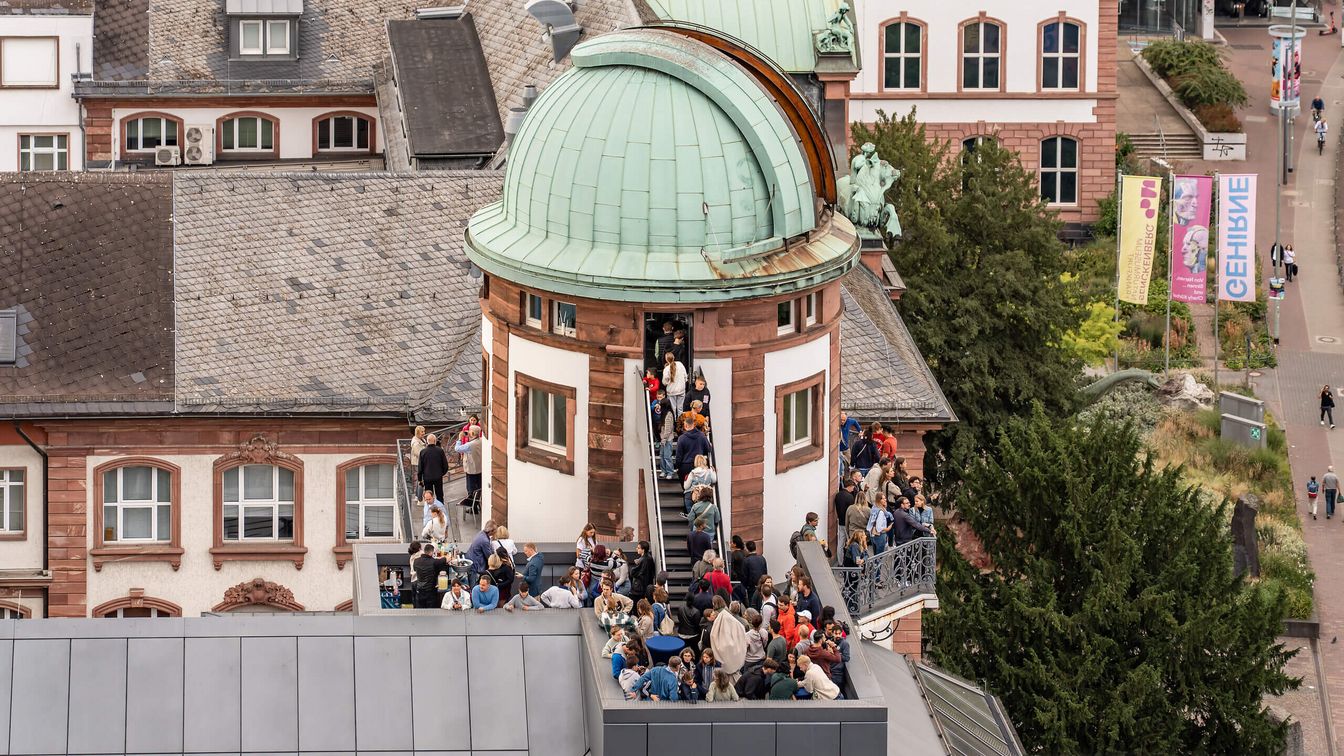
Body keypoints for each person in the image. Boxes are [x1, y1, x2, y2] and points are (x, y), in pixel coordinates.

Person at [454, 426, 483, 511]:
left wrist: (459, 439)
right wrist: (470, 436)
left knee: (471, 490)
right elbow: (475, 438)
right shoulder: (481, 440)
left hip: (471, 470)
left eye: (470, 431)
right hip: (479, 469)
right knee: (478, 488)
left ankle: (473, 508)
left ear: (473, 433)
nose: (468, 432)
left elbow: (457, 449)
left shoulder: (469, 445)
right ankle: (477, 504)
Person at [412, 542, 449, 609]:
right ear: (431, 552)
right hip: (430, 592)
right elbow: (446, 559)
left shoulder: (416, 561)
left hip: (419, 591)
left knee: (420, 611)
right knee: (431, 610)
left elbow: (414, 569)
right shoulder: (434, 562)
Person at [674, 417, 712, 482]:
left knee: (686, 488)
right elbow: (708, 449)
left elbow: (679, 456)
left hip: (685, 466)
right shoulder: (702, 436)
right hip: (699, 465)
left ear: (685, 425)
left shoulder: (681, 438)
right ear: (694, 424)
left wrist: (677, 467)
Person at [418, 433, 449, 504]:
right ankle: (440, 511)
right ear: (435, 441)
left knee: (429, 497)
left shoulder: (423, 452)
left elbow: (420, 468)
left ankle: (430, 511)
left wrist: (420, 479)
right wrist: (441, 473)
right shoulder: (440, 451)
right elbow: (446, 466)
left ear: (427, 441)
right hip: (438, 477)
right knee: (440, 496)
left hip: (427, 477)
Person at [654, 393, 676, 479]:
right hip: (663, 438)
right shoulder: (664, 413)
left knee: (667, 456)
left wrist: (664, 438)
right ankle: (663, 471)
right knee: (662, 455)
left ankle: (670, 472)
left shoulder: (669, 414)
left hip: (667, 439)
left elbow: (668, 428)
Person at [663, 351, 688, 416]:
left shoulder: (666, 369)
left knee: (672, 409)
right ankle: (680, 424)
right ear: (673, 357)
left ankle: (673, 424)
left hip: (671, 391)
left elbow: (665, 382)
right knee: (680, 409)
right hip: (681, 390)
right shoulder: (680, 364)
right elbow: (685, 376)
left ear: (666, 359)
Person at [408, 425, 427, 495]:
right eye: (422, 432)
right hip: (417, 463)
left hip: (421, 462)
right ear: (418, 432)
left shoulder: (422, 439)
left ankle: (419, 493)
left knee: (420, 479)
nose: (424, 433)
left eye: (424, 431)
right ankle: (418, 495)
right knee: (419, 479)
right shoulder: (415, 442)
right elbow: (418, 453)